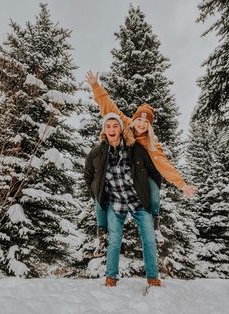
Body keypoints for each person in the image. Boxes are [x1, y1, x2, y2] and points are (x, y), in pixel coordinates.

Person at [85, 71, 197, 254]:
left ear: (150, 126)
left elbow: (164, 165)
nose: (142, 125)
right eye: (140, 120)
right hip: (122, 174)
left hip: (143, 175)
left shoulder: (151, 143)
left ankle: (155, 226)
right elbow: (109, 107)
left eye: (146, 123)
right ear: (135, 119)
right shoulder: (125, 124)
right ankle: (102, 233)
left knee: (154, 191)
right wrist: (95, 86)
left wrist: (182, 185)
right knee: (101, 192)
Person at [84, 112, 162, 287]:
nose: (111, 129)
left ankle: (152, 277)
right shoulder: (97, 153)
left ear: (121, 129)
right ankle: (111, 276)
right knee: (114, 238)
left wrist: (151, 192)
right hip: (115, 201)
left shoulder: (135, 149)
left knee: (149, 238)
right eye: (108, 126)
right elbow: (88, 175)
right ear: (104, 130)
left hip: (138, 200)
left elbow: (154, 172)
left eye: (115, 126)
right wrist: (95, 193)